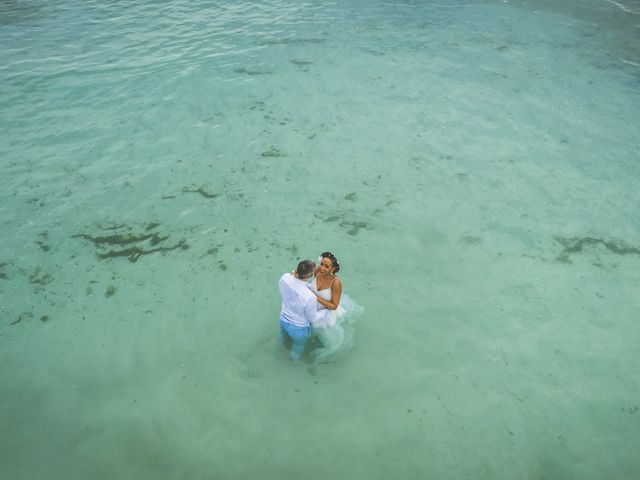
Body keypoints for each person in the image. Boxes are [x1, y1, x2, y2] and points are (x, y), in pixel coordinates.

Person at [309, 252, 363, 361]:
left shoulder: (336, 283)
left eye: (326, 266)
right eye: (322, 264)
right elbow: (305, 277)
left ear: (333, 268)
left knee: (332, 340)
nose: (322, 268)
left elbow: (334, 306)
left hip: (325, 310)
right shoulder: (319, 269)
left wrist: (315, 297)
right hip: (311, 305)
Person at [278, 259, 329, 361]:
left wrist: (308, 286)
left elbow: (296, 285)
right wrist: (325, 312)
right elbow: (313, 318)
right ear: (309, 275)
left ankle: (278, 350)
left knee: (283, 337)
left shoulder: (284, 277)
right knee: (298, 346)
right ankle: (291, 363)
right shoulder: (310, 297)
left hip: (283, 319)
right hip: (298, 328)